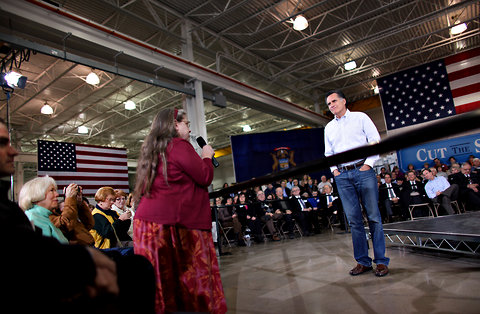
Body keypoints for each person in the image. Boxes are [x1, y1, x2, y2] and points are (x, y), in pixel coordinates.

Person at [0, 119, 155, 313]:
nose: (57, 195)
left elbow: (88, 224)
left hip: (81, 252)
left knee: (137, 261)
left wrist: (79, 201)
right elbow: (63, 230)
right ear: (37, 196)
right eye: (51, 191)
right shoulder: (35, 216)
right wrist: (71, 201)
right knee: (137, 266)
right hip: (64, 264)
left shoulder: (43, 212)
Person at [132, 108, 227, 314]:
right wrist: (207, 156)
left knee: (161, 281)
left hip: (148, 225)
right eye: (187, 123)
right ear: (175, 125)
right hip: (168, 223)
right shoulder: (178, 145)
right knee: (190, 278)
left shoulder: (154, 150)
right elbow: (204, 176)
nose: (190, 128)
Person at [324, 89, 389, 277]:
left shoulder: (361, 117)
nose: (331, 105)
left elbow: (375, 141)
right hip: (342, 176)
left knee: (374, 217)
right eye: (328, 104)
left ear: (344, 101)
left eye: (334, 101)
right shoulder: (329, 127)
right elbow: (329, 153)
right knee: (354, 221)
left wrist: (368, 164)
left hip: (363, 171)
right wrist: (334, 171)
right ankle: (363, 261)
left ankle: (381, 262)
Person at [19, 176, 69, 243]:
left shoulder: (42, 216)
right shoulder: (33, 218)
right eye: (51, 190)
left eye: (55, 190)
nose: (57, 194)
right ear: (37, 194)